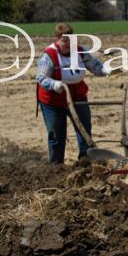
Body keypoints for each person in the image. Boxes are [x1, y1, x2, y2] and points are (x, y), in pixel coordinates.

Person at [36, 23, 110, 165]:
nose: (68, 44)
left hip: (78, 97)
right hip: (53, 101)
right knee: (57, 134)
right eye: (65, 41)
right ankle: (56, 166)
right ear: (57, 39)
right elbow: (41, 78)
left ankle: (85, 161)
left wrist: (106, 70)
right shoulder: (49, 55)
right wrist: (54, 84)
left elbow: (95, 66)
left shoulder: (80, 52)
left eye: (71, 40)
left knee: (84, 130)